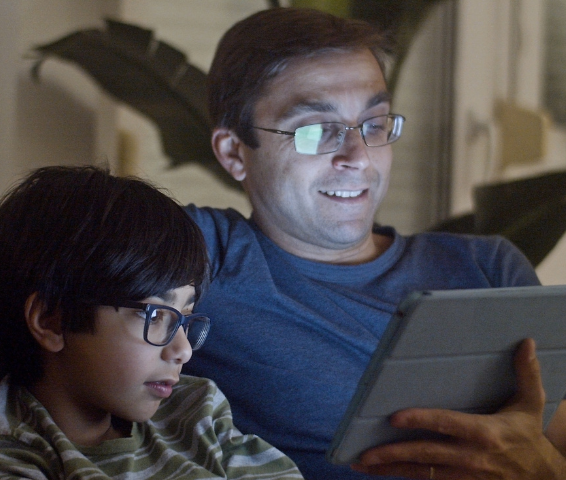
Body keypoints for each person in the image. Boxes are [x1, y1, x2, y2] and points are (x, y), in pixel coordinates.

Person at [181, 7, 566, 480]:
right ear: (233, 152)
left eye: (375, 123)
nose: (359, 157)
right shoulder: (202, 255)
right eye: (318, 130)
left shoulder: (487, 267)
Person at [0, 166, 303, 479]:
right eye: (155, 315)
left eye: (184, 319)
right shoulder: (7, 457)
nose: (183, 350)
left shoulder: (196, 410)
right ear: (52, 321)